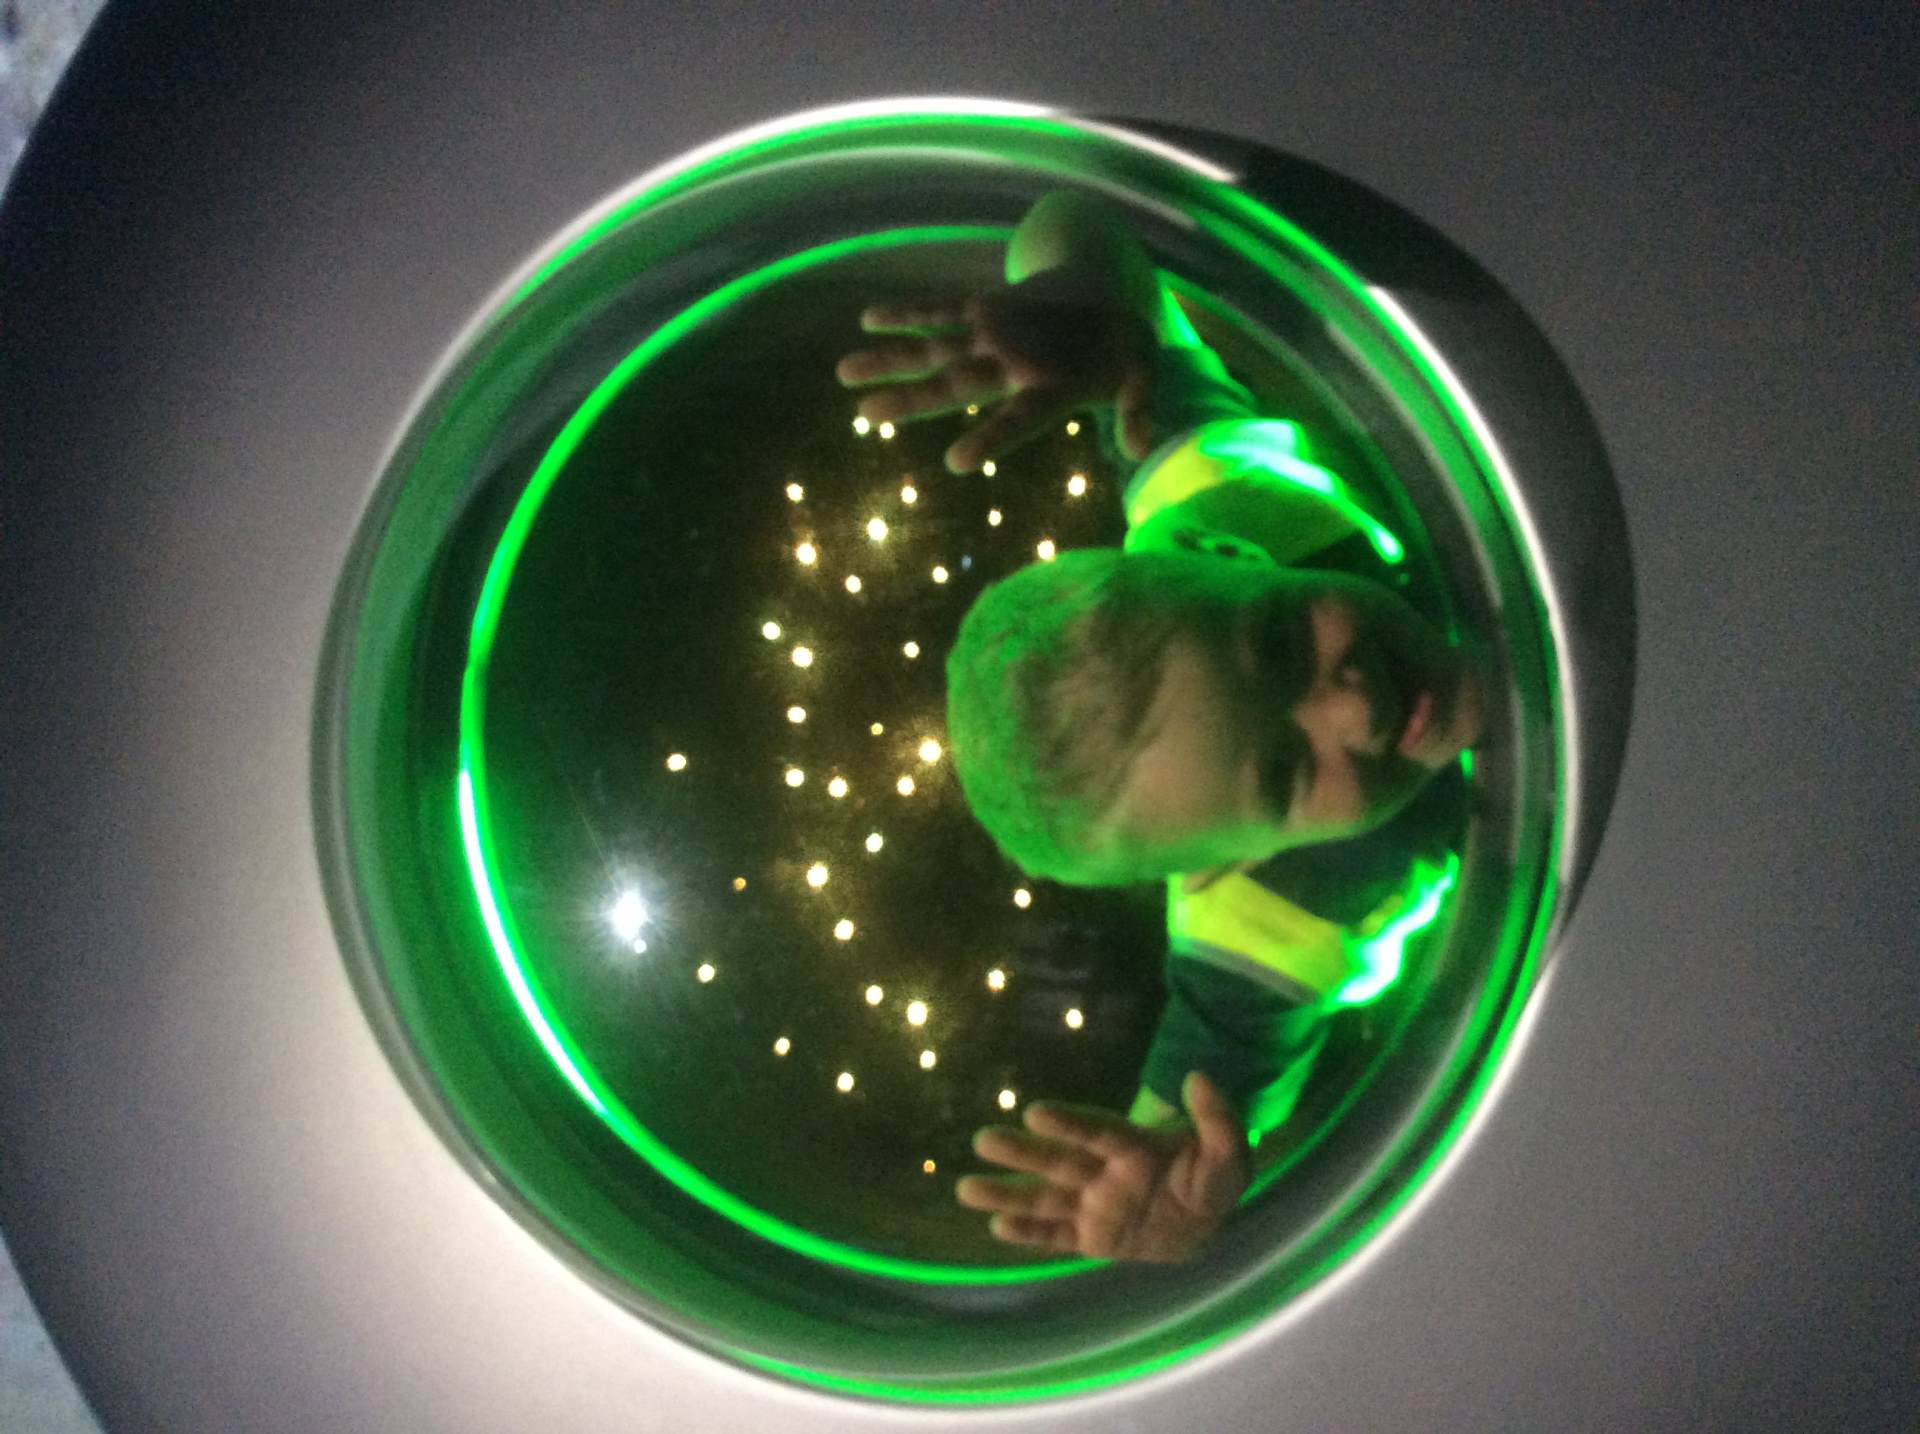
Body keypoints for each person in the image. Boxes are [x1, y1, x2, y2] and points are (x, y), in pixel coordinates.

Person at [835, 192, 1487, 1264]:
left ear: (1225, 560)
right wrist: (1163, 1200)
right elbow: (1181, 1138)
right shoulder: (1262, 931)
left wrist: (1085, 299)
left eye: (1280, 642)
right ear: (1221, 868)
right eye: (1283, 772)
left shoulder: (1217, 491)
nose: (1354, 706)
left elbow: (1068, 220)